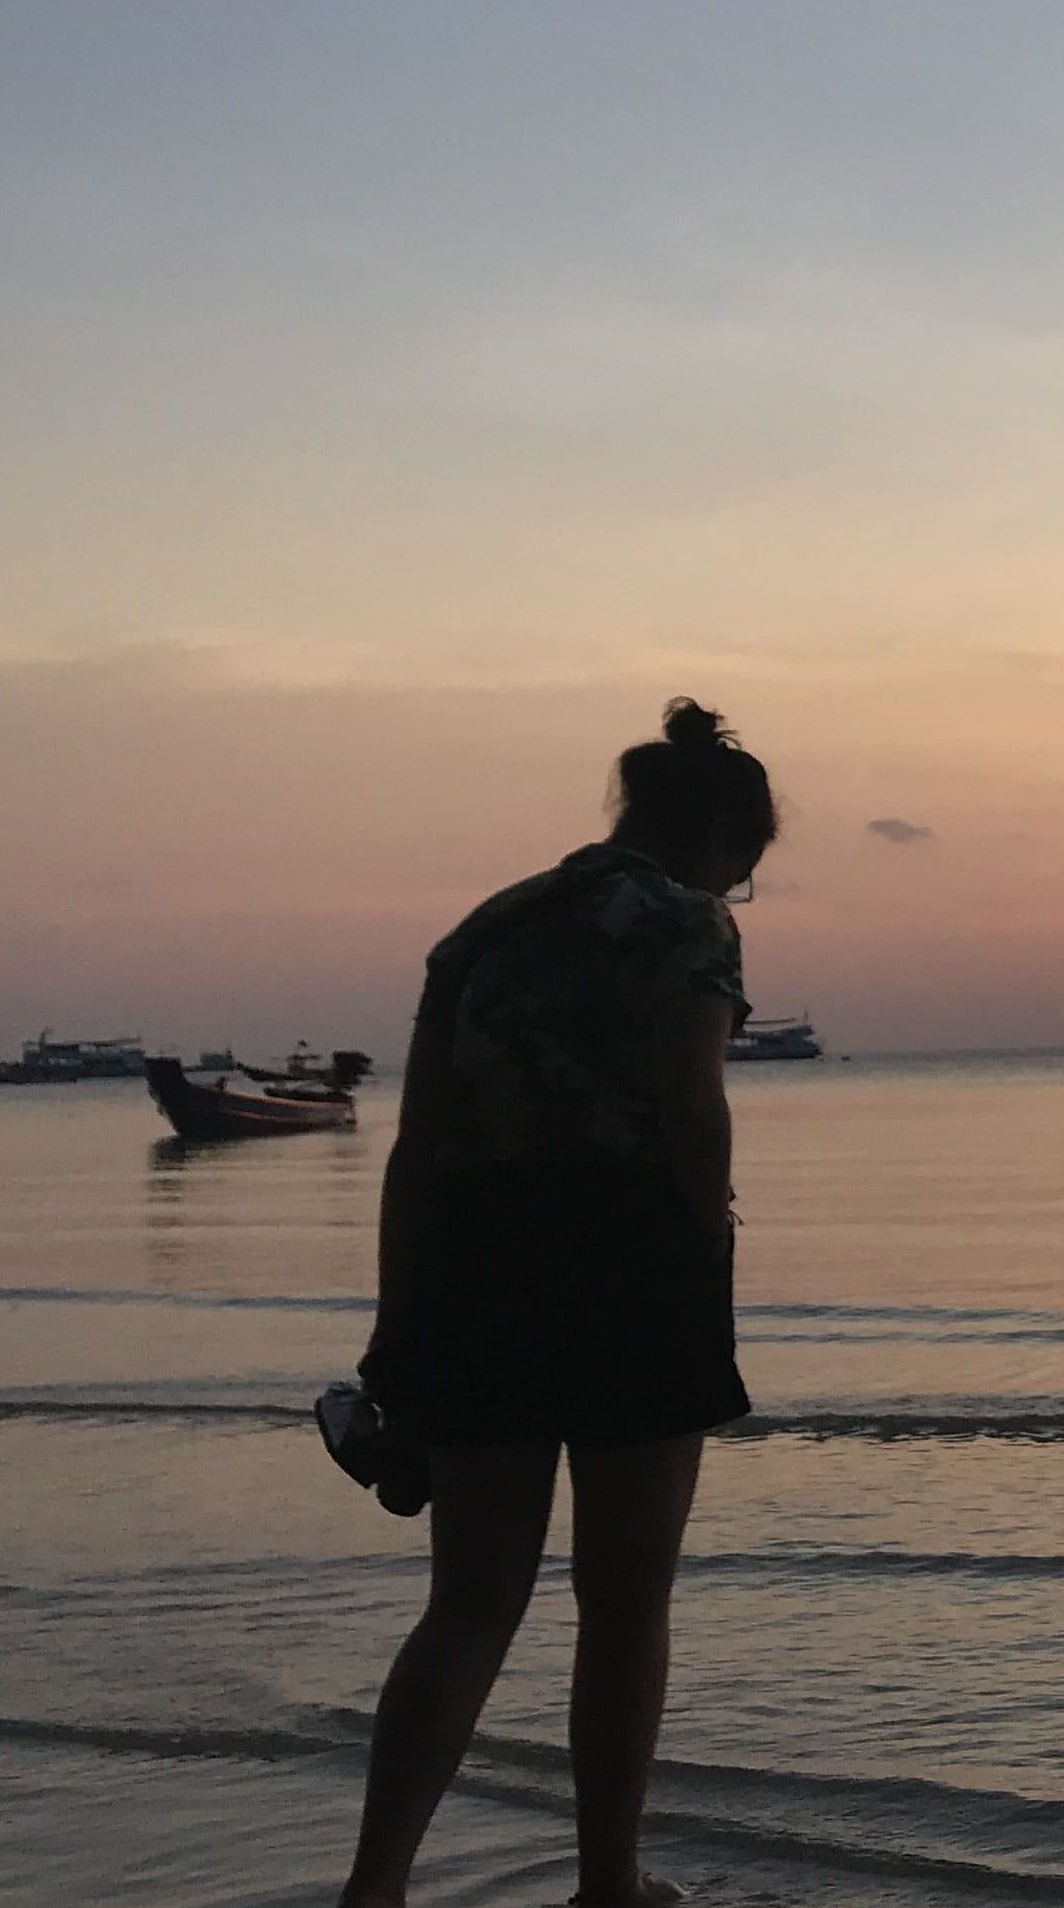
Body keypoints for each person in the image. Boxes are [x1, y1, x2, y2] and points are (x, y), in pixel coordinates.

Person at [337, 698, 776, 1908]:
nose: (743, 893)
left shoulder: (486, 927)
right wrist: (711, 1225)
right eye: (751, 870)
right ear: (721, 840)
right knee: (624, 1604)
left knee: (470, 1603)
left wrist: (399, 1324)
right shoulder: (687, 924)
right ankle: (607, 1885)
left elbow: (419, 1139)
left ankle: (373, 1889)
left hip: (476, 1267)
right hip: (629, 1264)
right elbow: (693, 1101)